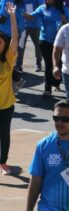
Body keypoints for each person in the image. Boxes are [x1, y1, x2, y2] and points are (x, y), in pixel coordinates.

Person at [23, 0, 69, 96]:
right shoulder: (42, 8)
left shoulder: (64, 9)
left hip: (60, 42)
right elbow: (31, 17)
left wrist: (64, 20)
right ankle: (47, 89)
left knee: (59, 63)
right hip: (45, 40)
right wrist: (20, 11)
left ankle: (56, 83)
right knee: (49, 64)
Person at [0, 1, 17, 175]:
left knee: (4, 135)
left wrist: (12, 15)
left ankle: (3, 162)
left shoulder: (9, 59)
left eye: (1, 42)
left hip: (6, 105)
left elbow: (15, 38)